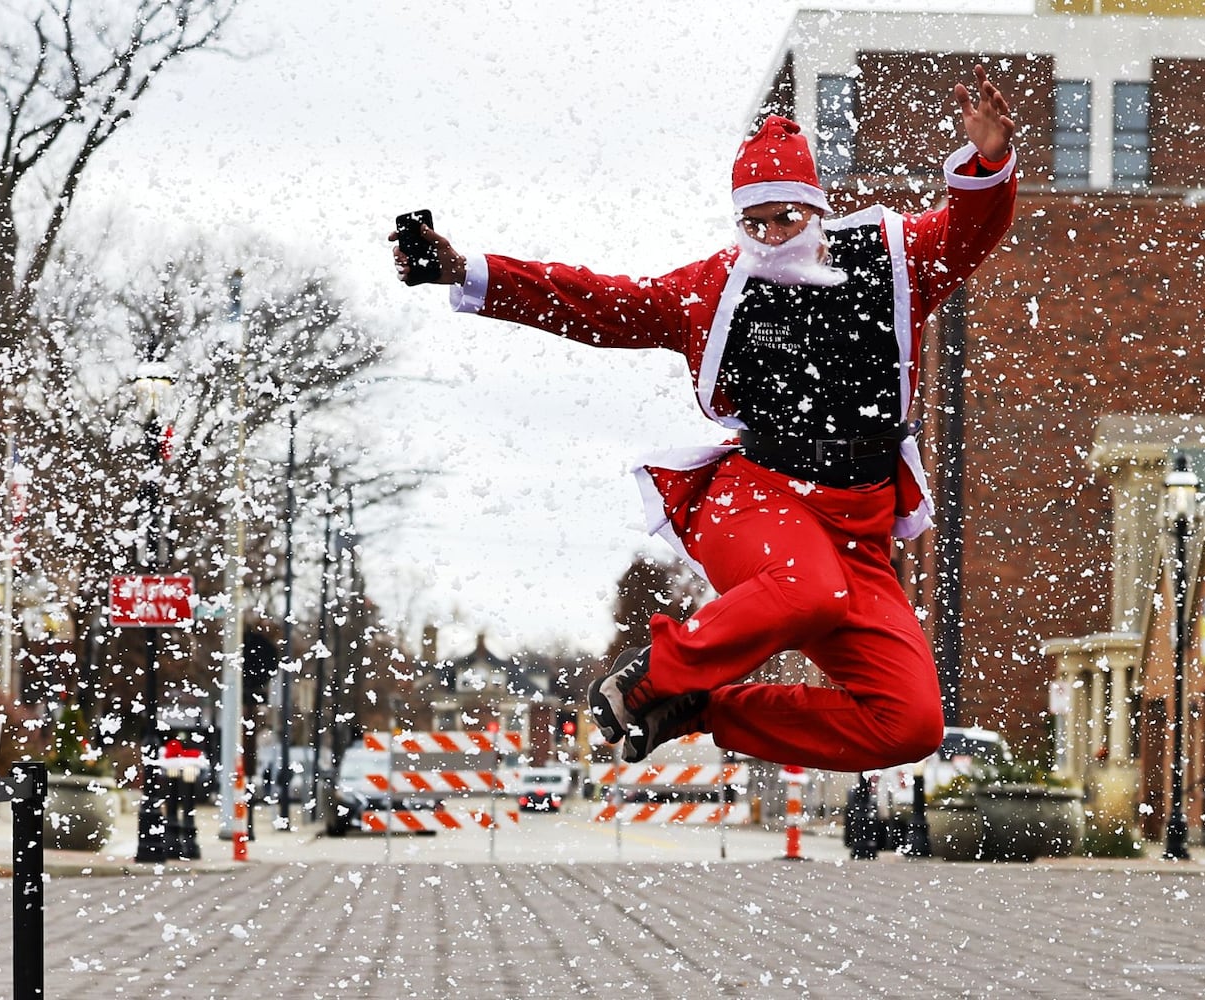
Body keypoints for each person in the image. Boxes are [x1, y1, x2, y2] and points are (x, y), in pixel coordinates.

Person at [392, 65, 1019, 771]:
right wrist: (471, 271)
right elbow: (599, 303)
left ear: (817, 210)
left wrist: (988, 163)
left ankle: (699, 708)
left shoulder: (891, 260)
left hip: (857, 526)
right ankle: (647, 677)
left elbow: (969, 232)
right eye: (753, 222)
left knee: (908, 725)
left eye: (786, 217)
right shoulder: (715, 288)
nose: (772, 236)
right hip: (757, 496)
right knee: (805, 592)